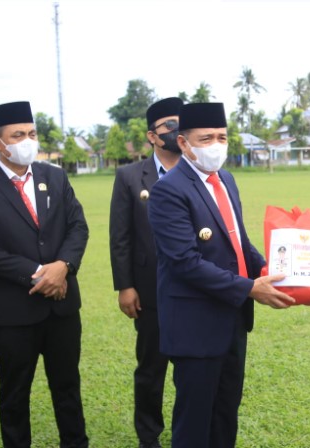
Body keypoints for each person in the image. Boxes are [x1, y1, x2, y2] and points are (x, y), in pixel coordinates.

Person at [146, 102, 295, 448]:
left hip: (232, 319)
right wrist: (249, 288)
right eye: (206, 138)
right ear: (183, 143)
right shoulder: (169, 190)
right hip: (195, 323)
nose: (216, 145)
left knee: (226, 411)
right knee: (194, 421)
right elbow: (185, 261)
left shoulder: (225, 179)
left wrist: (274, 271)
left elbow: (239, 242)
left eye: (222, 137)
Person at [0, 101, 90, 447]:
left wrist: (64, 266)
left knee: (67, 386)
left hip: (62, 308)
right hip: (13, 311)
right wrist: (40, 274)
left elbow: (78, 227)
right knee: (15, 392)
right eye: (18, 135)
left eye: (31, 133)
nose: (28, 140)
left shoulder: (54, 176)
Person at [109, 97, 183, 448]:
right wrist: (125, 286)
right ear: (152, 136)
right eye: (169, 125)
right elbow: (120, 235)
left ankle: (187, 430)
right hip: (151, 290)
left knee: (191, 369)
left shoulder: (198, 171)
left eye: (180, 123)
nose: (176, 130)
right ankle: (148, 436)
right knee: (151, 369)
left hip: (195, 290)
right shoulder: (128, 176)